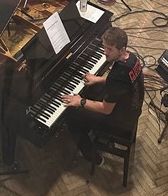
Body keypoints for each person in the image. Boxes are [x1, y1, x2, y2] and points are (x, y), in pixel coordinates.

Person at [61, 26, 144, 165]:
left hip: (120, 121)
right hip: (133, 108)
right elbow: (120, 82)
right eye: (104, 47)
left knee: (71, 114)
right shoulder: (132, 58)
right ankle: (88, 126)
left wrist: (80, 101)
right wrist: (97, 79)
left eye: (109, 49)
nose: (105, 52)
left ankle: (93, 157)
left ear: (122, 49)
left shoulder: (118, 73)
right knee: (94, 89)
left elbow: (106, 109)